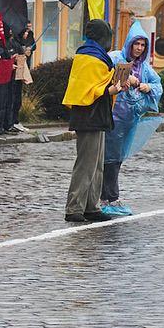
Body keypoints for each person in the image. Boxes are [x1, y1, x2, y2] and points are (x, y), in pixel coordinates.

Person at [63, 20, 122, 222]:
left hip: (98, 115)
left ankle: (91, 206)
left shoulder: (98, 56)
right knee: (85, 164)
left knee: (97, 165)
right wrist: (110, 90)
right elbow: (87, 90)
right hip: (87, 116)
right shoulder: (88, 56)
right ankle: (74, 208)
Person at [101, 24, 163, 215]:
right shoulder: (115, 58)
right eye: (136, 44)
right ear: (129, 43)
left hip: (128, 121)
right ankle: (108, 197)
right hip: (111, 117)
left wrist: (147, 86)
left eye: (143, 45)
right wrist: (127, 78)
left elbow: (157, 84)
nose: (139, 48)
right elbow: (104, 75)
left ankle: (109, 196)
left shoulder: (144, 67)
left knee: (116, 159)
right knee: (107, 159)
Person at [8, 25, 36, 133]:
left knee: (17, 99)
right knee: (13, 99)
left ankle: (15, 120)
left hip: (20, 75)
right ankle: (12, 121)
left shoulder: (20, 43)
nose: (26, 35)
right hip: (14, 76)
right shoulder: (13, 43)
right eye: (25, 32)